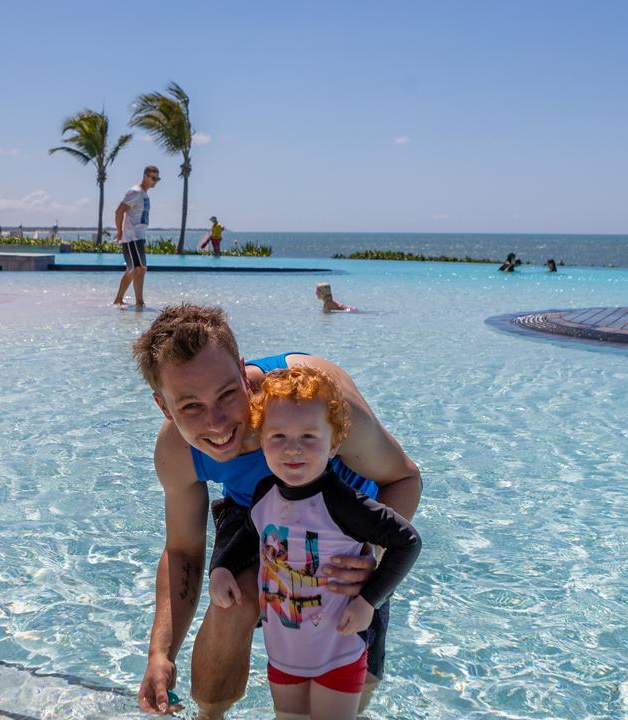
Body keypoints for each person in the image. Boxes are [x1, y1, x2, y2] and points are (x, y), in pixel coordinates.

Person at [132, 305, 422, 718]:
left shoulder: (316, 400)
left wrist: (371, 558)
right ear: (164, 406)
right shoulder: (177, 451)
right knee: (231, 599)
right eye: (190, 407)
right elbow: (182, 551)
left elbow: (404, 479)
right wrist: (161, 653)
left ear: (242, 370)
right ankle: (209, 715)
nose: (215, 424)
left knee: (350, 692)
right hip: (253, 508)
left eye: (227, 395)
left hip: (343, 522)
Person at [210, 366, 420, 720]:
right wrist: (221, 568)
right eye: (278, 437)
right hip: (284, 651)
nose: (293, 449)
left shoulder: (343, 503)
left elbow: (408, 543)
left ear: (334, 443)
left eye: (309, 436)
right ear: (261, 440)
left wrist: (370, 600)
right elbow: (249, 532)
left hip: (338, 650)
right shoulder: (263, 495)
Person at [113, 166, 159, 306]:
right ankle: (139, 302)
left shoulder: (144, 194)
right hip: (133, 236)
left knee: (133, 269)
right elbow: (119, 211)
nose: (155, 181)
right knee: (140, 268)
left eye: (157, 179)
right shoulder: (136, 192)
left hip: (138, 235)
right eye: (153, 178)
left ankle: (119, 300)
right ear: (145, 176)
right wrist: (120, 231)